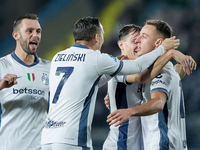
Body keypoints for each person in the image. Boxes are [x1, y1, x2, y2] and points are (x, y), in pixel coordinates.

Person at [40, 16, 179, 150]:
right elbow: (138, 70)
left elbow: (88, 82)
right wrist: (164, 50)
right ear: (96, 37)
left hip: (48, 136)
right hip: (71, 138)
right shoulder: (97, 58)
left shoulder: (58, 57)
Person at [102, 24, 196, 150]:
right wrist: (169, 53)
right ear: (121, 45)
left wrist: (184, 63)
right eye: (135, 41)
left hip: (143, 144)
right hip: (120, 145)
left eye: (141, 39)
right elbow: (142, 77)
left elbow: (170, 75)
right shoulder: (119, 65)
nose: (139, 44)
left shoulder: (150, 68)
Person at [0, 14, 51, 150]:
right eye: (29, 31)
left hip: (41, 146)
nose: (35, 35)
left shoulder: (50, 68)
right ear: (16, 35)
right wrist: (1, 86)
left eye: (38, 31)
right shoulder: (2, 66)